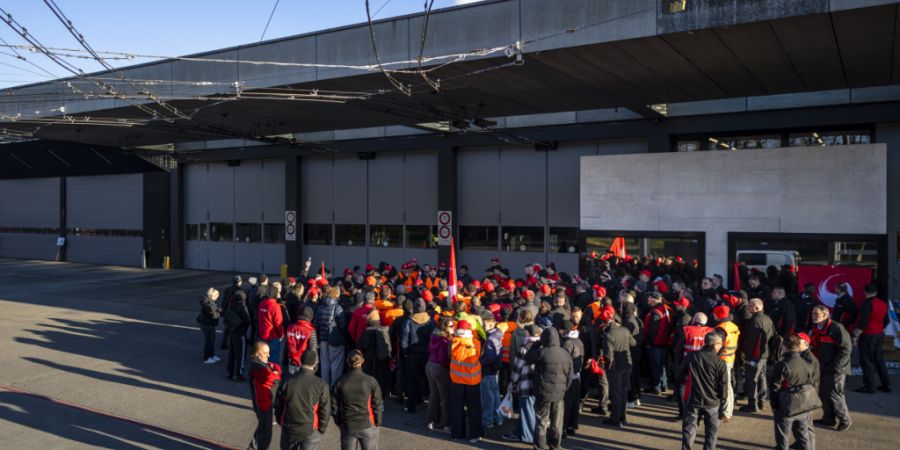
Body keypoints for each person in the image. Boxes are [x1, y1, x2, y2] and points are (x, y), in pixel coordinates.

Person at [526, 326, 574, 450]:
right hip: (559, 395)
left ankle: (539, 447)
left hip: (543, 393)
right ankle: (555, 446)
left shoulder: (541, 353)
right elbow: (570, 376)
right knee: (557, 423)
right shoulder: (565, 354)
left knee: (541, 422)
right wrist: (564, 389)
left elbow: (527, 357)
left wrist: (536, 344)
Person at [678, 332, 727, 450]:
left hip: (693, 400)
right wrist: (723, 404)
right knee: (711, 433)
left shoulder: (692, 356)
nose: (721, 346)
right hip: (712, 403)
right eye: (720, 344)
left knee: (689, 431)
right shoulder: (720, 362)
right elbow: (723, 385)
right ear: (715, 345)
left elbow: (680, 375)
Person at [770, 335, 819, 450]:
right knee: (803, 435)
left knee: (783, 437)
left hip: (786, 406)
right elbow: (810, 382)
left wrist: (774, 404)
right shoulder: (807, 363)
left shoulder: (782, 365)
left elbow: (775, 387)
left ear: (784, 347)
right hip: (803, 405)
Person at [274, 349, 330, 449]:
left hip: (289, 428)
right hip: (310, 430)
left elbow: (278, 406)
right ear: (315, 363)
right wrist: (322, 429)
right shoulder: (321, 384)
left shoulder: (286, 381)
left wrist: (281, 422)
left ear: (300, 361)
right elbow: (325, 411)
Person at [810, 304, 852, 431]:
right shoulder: (816, 327)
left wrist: (837, 366)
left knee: (835, 394)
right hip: (823, 366)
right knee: (823, 393)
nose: (814, 316)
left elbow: (846, 349)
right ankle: (828, 419)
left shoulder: (836, 328)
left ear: (825, 315)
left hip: (836, 369)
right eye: (813, 313)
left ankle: (845, 420)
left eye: (816, 314)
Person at [333, 350, 383, 450]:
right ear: (363, 361)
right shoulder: (371, 381)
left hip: (348, 426)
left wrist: (339, 422)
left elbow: (335, 406)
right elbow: (377, 404)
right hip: (368, 425)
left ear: (347, 361)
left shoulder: (339, 382)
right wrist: (378, 423)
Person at [502, 324, 541, 445]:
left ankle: (528, 436)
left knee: (527, 411)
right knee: (532, 410)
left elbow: (517, 369)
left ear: (528, 334)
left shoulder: (524, 349)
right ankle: (519, 431)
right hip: (538, 384)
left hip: (525, 384)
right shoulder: (542, 347)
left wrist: (512, 382)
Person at [853, 283, 891, 393]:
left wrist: (856, 335)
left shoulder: (867, 304)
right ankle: (886, 384)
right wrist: (879, 328)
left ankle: (869, 386)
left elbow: (863, 321)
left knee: (867, 360)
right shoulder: (883, 303)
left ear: (865, 292)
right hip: (879, 333)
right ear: (876, 292)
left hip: (868, 334)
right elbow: (886, 320)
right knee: (879, 359)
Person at [449, 319, 483, 443]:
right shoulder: (477, 343)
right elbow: (480, 356)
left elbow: (449, 357)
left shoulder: (453, 342)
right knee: (474, 408)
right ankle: (475, 434)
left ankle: (457, 433)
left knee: (457, 407)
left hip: (456, 380)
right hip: (473, 380)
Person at [601, 308, 635, 429]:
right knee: (623, 391)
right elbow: (633, 343)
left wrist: (607, 367)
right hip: (627, 364)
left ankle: (615, 418)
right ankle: (622, 416)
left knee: (616, 393)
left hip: (615, 367)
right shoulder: (625, 330)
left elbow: (608, 355)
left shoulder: (608, 334)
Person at [739, 298, 775, 413]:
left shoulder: (755, 320)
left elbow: (753, 342)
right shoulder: (767, 318)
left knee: (752, 380)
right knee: (761, 379)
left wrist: (748, 357)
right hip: (764, 355)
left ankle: (752, 404)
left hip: (755, 356)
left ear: (757, 307)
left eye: (750, 306)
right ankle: (761, 402)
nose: (748, 308)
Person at [401, 298, 434, 413]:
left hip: (413, 354)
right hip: (427, 353)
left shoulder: (409, 321)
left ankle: (411, 405)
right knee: (428, 379)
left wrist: (405, 352)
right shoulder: (430, 321)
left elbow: (404, 338)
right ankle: (431, 405)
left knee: (412, 379)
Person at [248, 341, 281, 450]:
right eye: (265, 353)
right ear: (258, 354)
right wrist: (275, 374)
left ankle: (254, 447)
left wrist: (275, 371)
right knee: (265, 430)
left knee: (263, 428)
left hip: (265, 402)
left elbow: (276, 368)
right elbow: (271, 379)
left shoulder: (261, 363)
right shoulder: (257, 366)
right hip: (262, 404)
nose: (269, 355)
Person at [316, 286, 349, 386]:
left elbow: (316, 324)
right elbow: (343, 325)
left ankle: (325, 387)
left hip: (323, 340)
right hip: (335, 340)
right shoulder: (338, 308)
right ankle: (334, 388)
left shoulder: (320, 307)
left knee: (325, 365)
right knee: (336, 366)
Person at [712, 305, 739, 421]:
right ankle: (726, 410)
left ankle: (726, 412)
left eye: (714, 314)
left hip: (722, 360)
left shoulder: (720, 329)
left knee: (725, 386)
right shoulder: (733, 326)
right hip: (730, 358)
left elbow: (719, 345)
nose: (713, 315)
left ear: (718, 315)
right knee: (727, 385)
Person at [426, 317, 453, 432]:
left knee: (434, 395)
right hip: (440, 368)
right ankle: (445, 423)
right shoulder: (444, 341)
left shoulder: (434, 336)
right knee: (445, 397)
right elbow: (443, 359)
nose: (453, 328)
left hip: (430, 365)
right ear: (445, 327)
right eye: (451, 326)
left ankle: (431, 421)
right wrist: (448, 366)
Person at [643, 292, 672, 395]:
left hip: (655, 343)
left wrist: (648, 342)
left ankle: (656, 387)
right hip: (664, 341)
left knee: (655, 366)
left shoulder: (656, 312)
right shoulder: (665, 308)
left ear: (654, 299)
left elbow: (652, 330)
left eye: (649, 298)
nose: (647, 299)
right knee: (661, 365)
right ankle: (663, 385)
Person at [357, 309, 392, 394]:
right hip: (383, 360)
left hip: (370, 362)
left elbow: (361, 346)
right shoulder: (385, 330)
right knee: (382, 378)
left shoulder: (366, 331)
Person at [560, 319, 585, 436]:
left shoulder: (567, 343)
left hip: (568, 377)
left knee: (566, 404)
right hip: (577, 376)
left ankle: (563, 427)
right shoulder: (578, 340)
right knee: (575, 403)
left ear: (565, 330)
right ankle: (572, 426)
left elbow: (565, 361)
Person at [480, 310, 504, 430]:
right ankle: (498, 418)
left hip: (488, 371)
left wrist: (481, 360)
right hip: (495, 370)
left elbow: (489, 357)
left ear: (491, 324)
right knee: (495, 395)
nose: (483, 327)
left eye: (484, 325)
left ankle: (488, 420)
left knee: (488, 398)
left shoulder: (490, 339)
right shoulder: (498, 335)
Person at [223, 288, 251, 381]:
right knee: (240, 355)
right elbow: (247, 320)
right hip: (240, 333)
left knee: (232, 353)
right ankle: (238, 374)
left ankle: (230, 372)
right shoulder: (243, 307)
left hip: (232, 332)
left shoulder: (231, 306)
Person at [286, 307, 318, 376]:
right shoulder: (310, 330)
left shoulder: (290, 327)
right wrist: (315, 363)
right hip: (305, 364)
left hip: (292, 361)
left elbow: (286, 345)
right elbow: (313, 348)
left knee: (293, 383)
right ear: (310, 316)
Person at [258, 285, 285, 364]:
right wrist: (281, 334)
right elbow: (278, 322)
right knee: (273, 358)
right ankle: (272, 374)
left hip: (262, 334)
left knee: (263, 357)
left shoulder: (262, 303)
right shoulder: (275, 306)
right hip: (273, 336)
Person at [197, 287, 221, 364]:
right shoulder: (208, 304)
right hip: (207, 325)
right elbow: (212, 315)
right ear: (212, 295)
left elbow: (213, 310)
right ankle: (206, 358)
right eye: (216, 296)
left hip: (210, 324)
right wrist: (218, 312)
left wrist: (217, 310)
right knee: (209, 341)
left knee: (212, 340)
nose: (217, 298)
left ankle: (212, 355)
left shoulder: (210, 302)